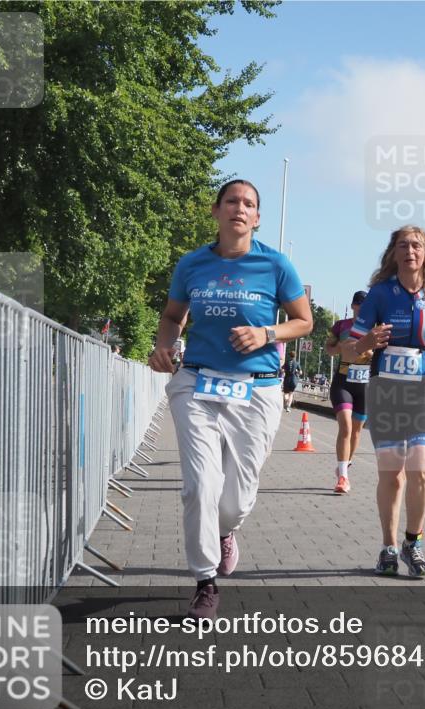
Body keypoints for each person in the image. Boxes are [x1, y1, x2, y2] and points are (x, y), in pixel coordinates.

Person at [148, 179, 312, 619]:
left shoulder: (276, 265)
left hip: (256, 387)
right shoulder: (192, 264)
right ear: (217, 211)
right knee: (200, 485)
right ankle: (205, 581)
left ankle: (225, 532)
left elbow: (304, 322)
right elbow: (171, 316)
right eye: (232, 201)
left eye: (249, 204)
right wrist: (165, 346)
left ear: (257, 218)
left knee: (236, 499)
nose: (240, 208)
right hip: (197, 383)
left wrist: (266, 333)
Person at [347, 226, 425, 577]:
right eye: (403, 246)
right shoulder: (379, 294)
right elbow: (351, 349)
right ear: (393, 253)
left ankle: (414, 542)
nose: (410, 251)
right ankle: (388, 547)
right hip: (387, 390)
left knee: (421, 469)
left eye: (417, 245)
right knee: (393, 475)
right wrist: (368, 340)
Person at [325, 290, 373, 494]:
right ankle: (343, 477)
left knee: (356, 431)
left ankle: (346, 464)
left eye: (366, 306)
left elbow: (381, 353)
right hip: (343, 381)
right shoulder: (340, 326)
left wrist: (368, 350)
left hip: (365, 384)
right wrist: (341, 348)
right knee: (345, 427)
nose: (362, 309)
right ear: (353, 306)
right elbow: (329, 349)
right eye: (359, 305)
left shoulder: (375, 328)